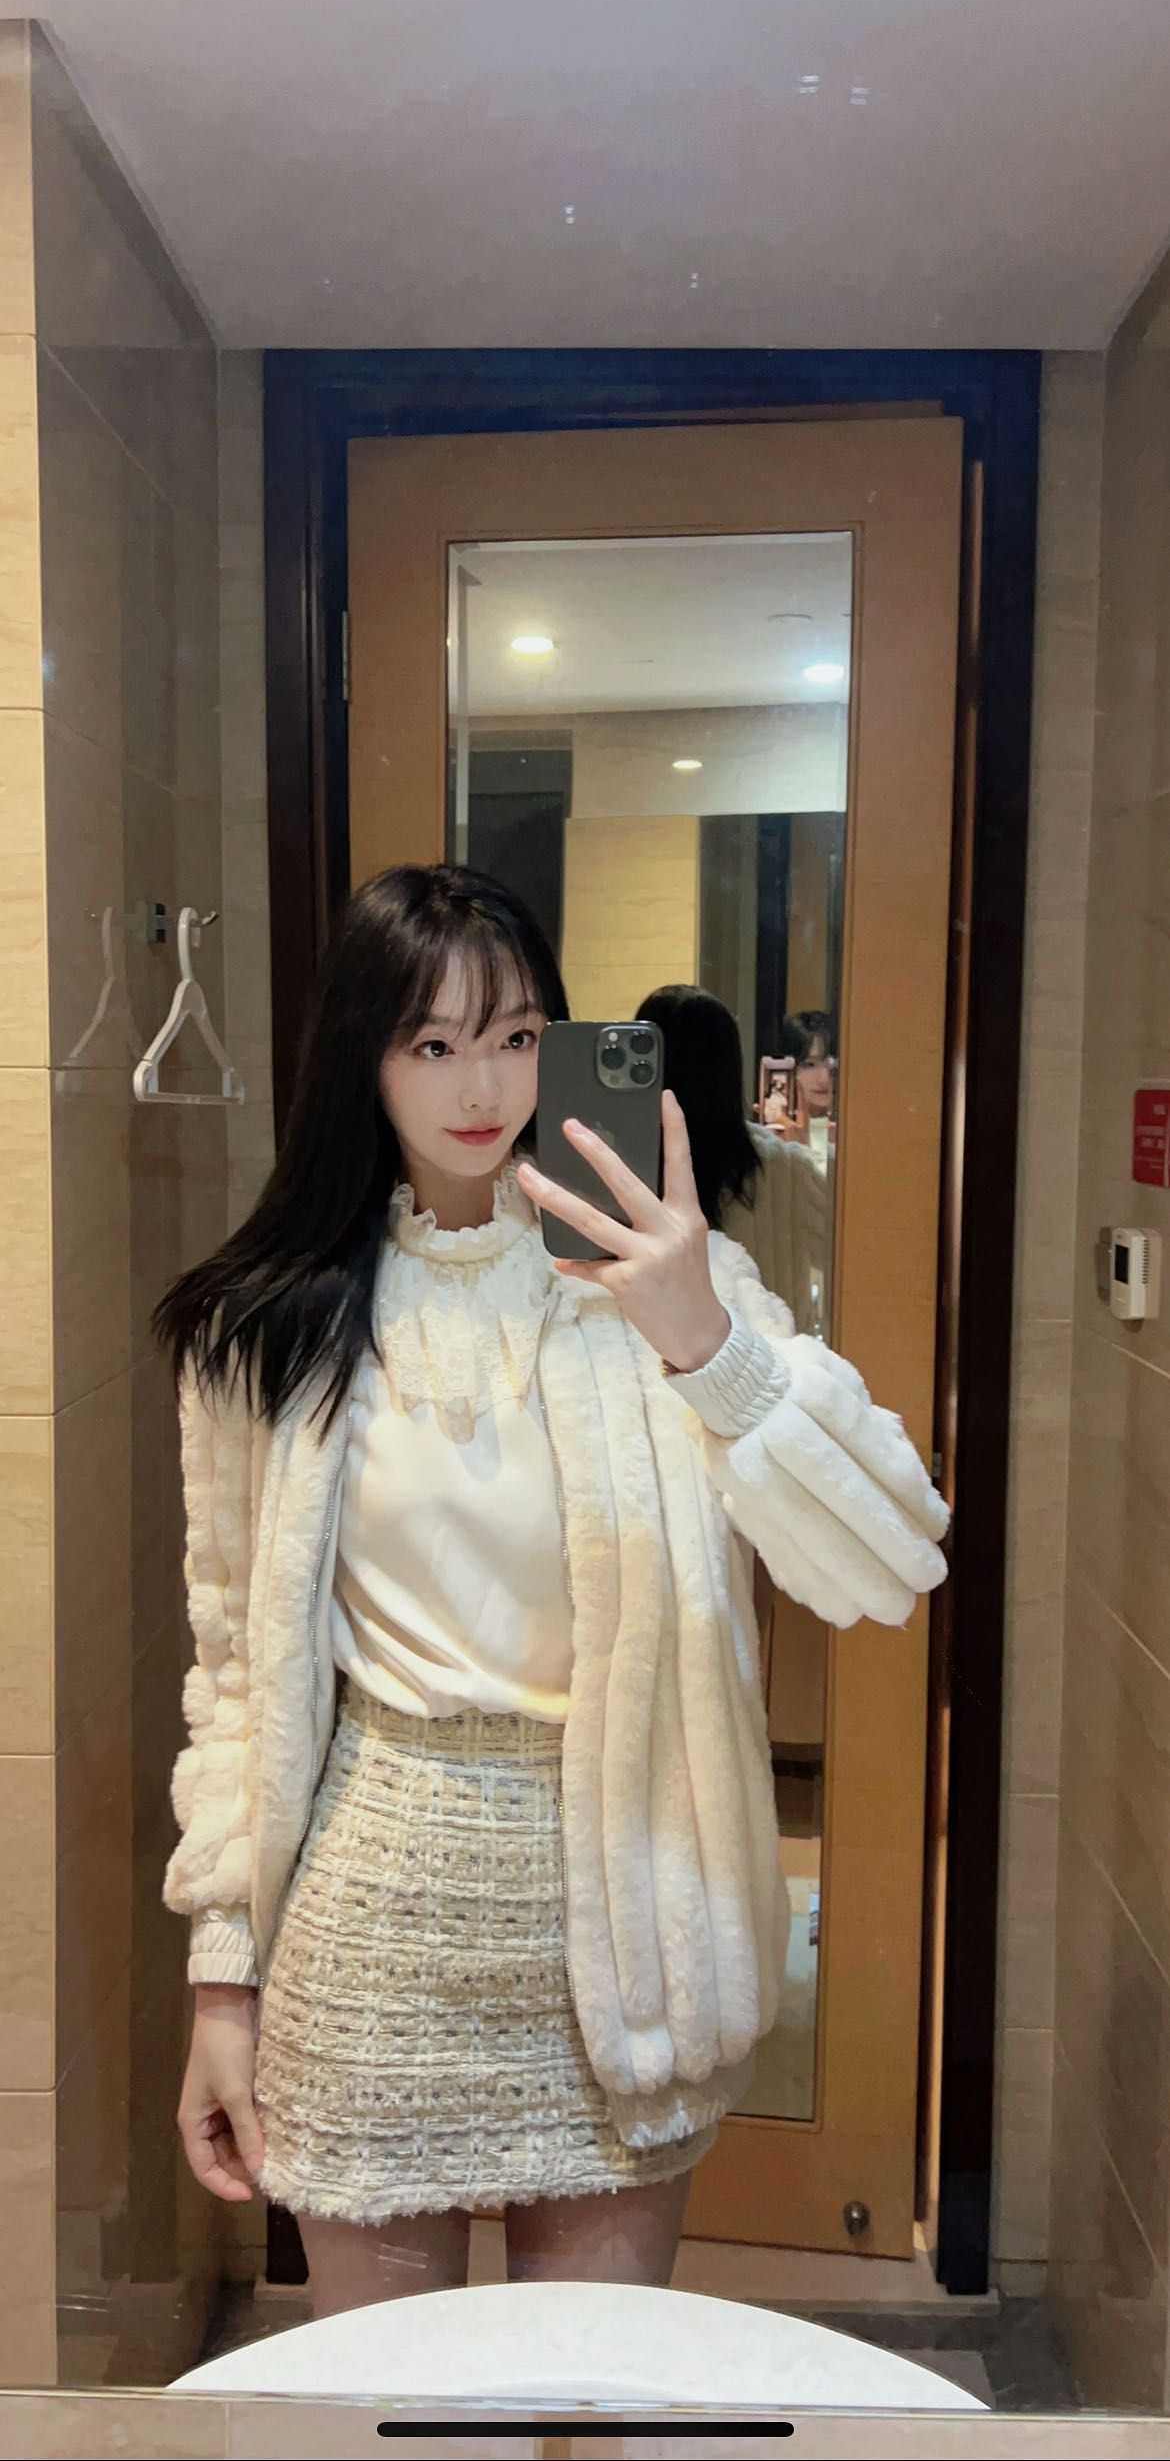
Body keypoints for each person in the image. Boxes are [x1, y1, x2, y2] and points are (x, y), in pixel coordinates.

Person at [159, 865, 947, 2316]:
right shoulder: (262, 1329)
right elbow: (235, 1675)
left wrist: (705, 1340)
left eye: (517, 1037)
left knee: (591, 2396)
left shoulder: (659, 1286)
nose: (482, 1087)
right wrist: (223, 1978)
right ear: (362, 1058)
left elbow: (890, 1560)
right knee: (381, 2406)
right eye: (432, 1042)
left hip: (622, 1917)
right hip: (372, 1910)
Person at [637, 984, 833, 1337]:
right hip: (773, 1362)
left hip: (657, 1360)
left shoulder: (622, 1171)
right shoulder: (785, 1169)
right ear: (731, 1067)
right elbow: (846, 1252)